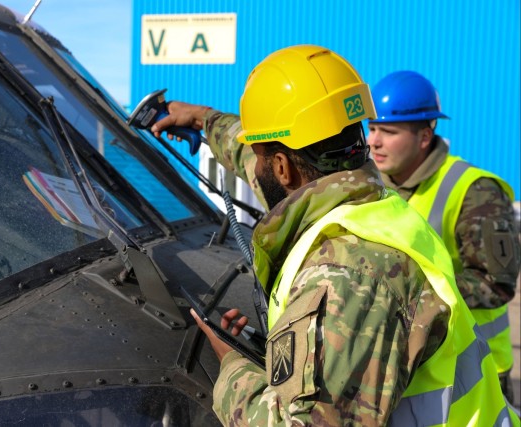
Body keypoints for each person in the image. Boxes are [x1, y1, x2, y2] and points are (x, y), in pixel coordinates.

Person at [151, 45, 516, 426]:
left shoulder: (349, 272)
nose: (255, 166)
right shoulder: (367, 197)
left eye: (262, 158)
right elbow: (253, 160)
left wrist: (232, 367)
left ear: (280, 168)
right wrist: (203, 120)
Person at [367, 70, 520, 405]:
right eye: (372, 127)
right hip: (409, 374)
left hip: (476, 372)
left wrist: (406, 297)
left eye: (388, 131)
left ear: (425, 135)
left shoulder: (473, 190)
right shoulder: (374, 187)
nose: (373, 141)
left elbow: (496, 283)